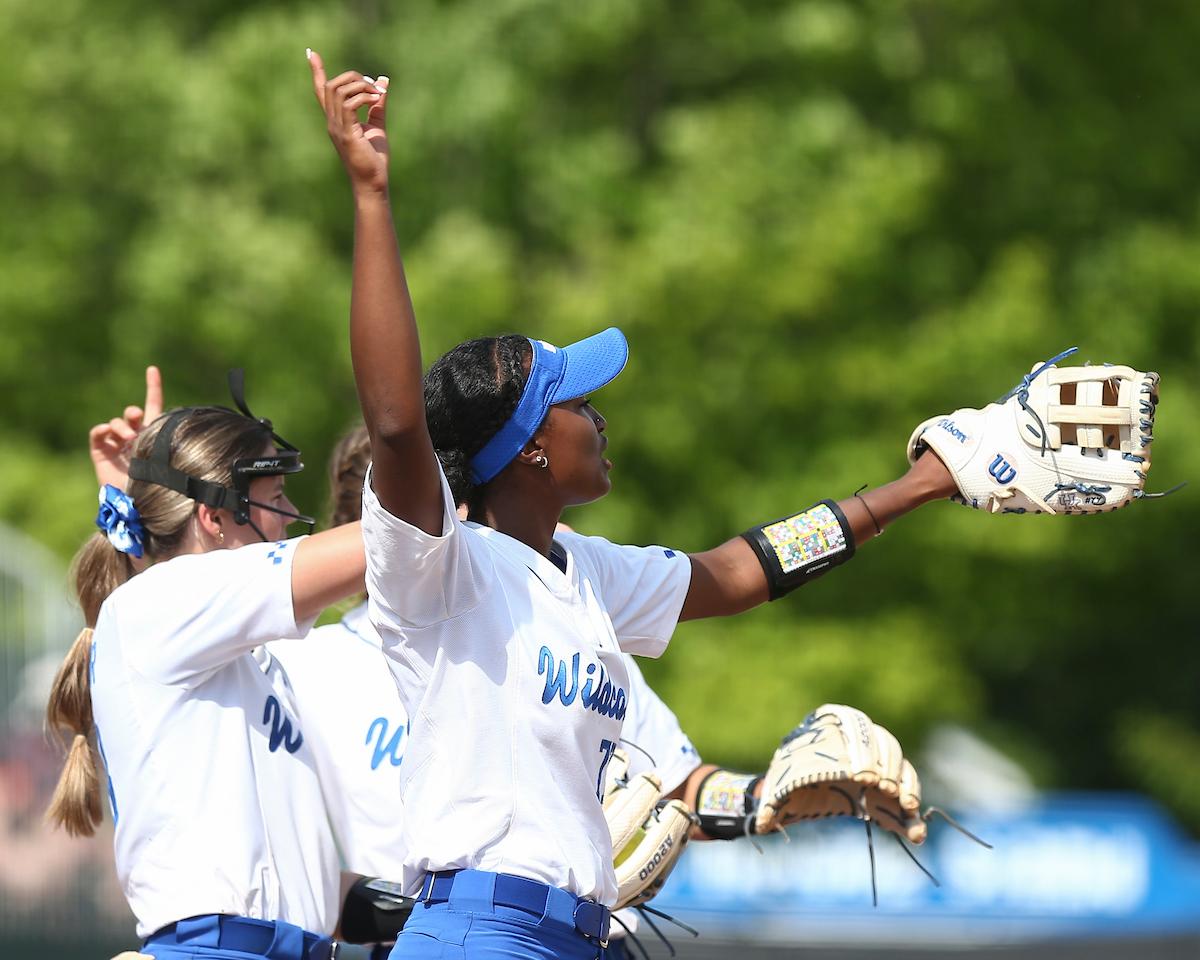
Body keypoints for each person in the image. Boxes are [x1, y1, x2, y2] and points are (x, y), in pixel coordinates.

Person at [309, 51, 961, 960]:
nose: (599, 415)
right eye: (577, 402)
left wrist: (926, 484)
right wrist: (371, 196)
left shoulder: (588, 574)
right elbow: (392, 419)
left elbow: (742, 571)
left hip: (576, 936)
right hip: (477, 931)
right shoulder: (440, 566)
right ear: (530, 447)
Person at [45, 381, 369, 960]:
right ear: (215, 516)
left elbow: (290, 879)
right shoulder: (158, 603)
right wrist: (450, 508)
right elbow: (387, 543)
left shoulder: (250, 658)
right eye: (275, 495)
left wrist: (408, 904)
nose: (293, 515)